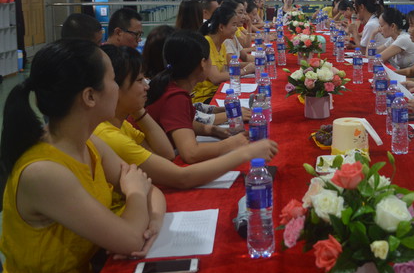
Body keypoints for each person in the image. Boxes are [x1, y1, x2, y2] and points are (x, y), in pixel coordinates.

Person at [0, 40, 165, 273]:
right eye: (113, 80)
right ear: (89, 96)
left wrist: (155, 223)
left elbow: (151, 189)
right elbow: (131, 237)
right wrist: (136, 193)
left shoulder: (89, 143)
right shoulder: (44, 172)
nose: (117, 88)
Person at [96, 44, 278, 189]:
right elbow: (184, 171)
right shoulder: (110, 136)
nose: (146, 86)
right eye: (138, 80)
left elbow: (166, 154)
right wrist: (244, 152)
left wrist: (138, 110)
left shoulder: (123, 123)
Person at [147, 31, 253, 164]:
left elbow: (183, 121)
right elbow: (191, 153)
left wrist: (213, 130)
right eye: (210, 59)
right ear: (203, 63)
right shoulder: (175, 97)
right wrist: (231, 144)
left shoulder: (170, 85)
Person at [192, 5, 240, 104]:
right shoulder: (206, 43)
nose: (236, 29)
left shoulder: (222, 45)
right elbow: (216, 78)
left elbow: (223, 75)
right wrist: (244, 71)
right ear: (221, 27)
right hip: (204, 98)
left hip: (218, 91)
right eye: (234, 25)